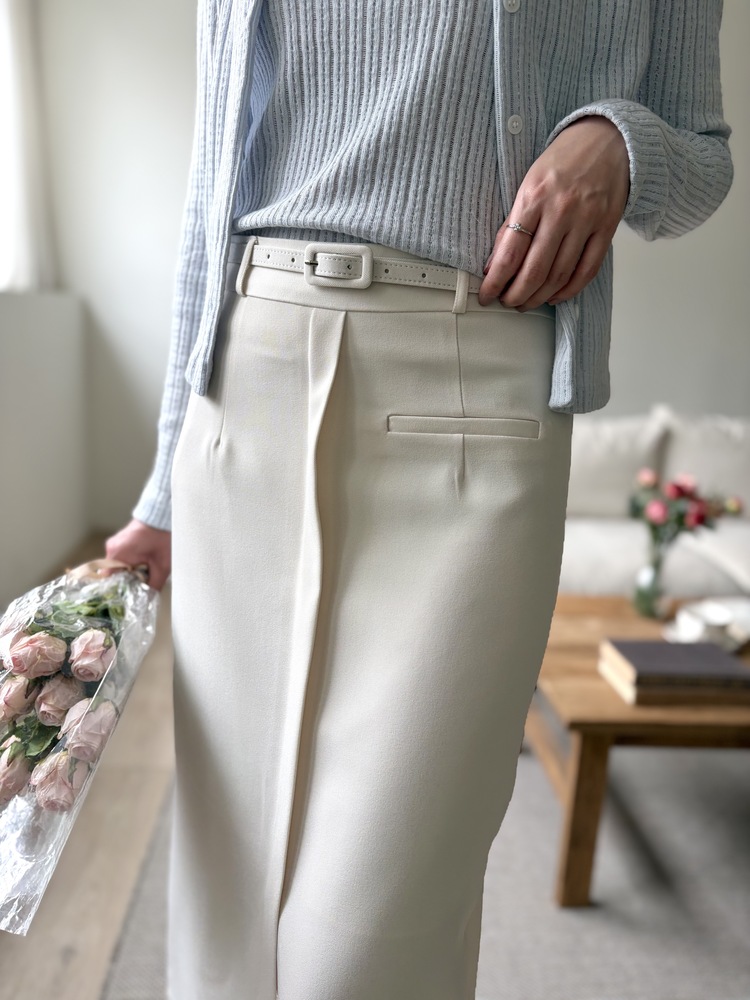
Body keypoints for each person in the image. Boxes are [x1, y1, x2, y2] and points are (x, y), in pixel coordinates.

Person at [105, 2, 733, 998]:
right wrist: (163, 484)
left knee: (377, 928)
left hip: (477, 372)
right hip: (247, 377)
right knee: (225, 901)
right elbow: (209, 186)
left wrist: (617, 142)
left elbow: (703, 156)